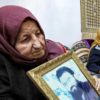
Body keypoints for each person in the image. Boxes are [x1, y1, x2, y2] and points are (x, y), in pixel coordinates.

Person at [0, 5, 68, 100]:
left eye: (38, 33)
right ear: (7, 43)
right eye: (26, 39)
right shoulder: (3, 67)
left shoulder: (53, 50)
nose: (38, 45)